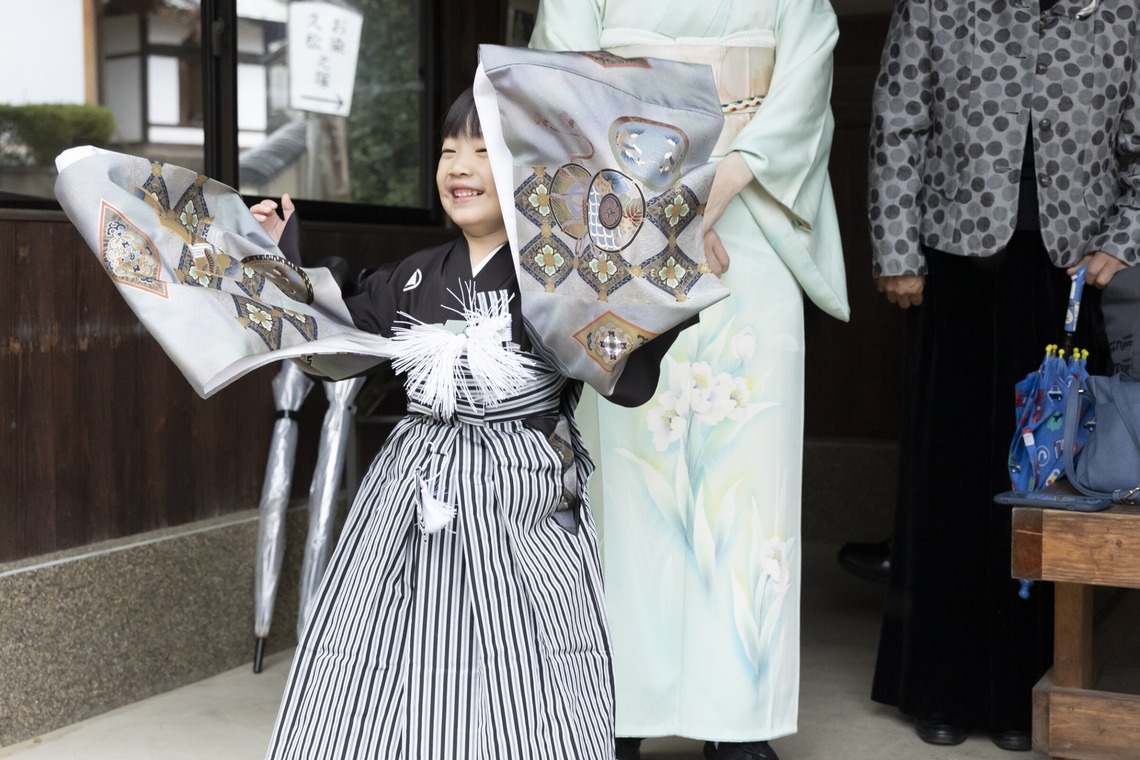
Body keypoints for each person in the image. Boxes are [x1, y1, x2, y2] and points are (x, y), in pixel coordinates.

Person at [251, 89, 686, 760]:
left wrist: (660, 273)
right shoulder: (412, 276)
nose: (460, 165)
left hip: (520, 494)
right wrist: (277, 259)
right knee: (390, 644)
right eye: (451, 150)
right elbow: (337, 337)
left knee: (525, 654)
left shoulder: (561, 277)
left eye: (486, 152)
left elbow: (622, 353)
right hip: (411, 495)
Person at [530, 3, 849, 760]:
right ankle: (618, 704)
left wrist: (710, 193)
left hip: (749, 226)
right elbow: (559, 90)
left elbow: (800, 93)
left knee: (749, 478)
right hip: (621, 220)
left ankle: (735, 717)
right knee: (624, 474)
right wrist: (657, 205)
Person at [868, 0, 1138, 751]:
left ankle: (1029, 693)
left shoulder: (1117, 13)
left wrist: (1122, 240)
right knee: (951, 477)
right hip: (954, 265)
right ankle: (942, 687)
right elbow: (898, 122)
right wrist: (897, 248)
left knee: (1049, 480)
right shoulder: (936, 5)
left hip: (1069, 275)